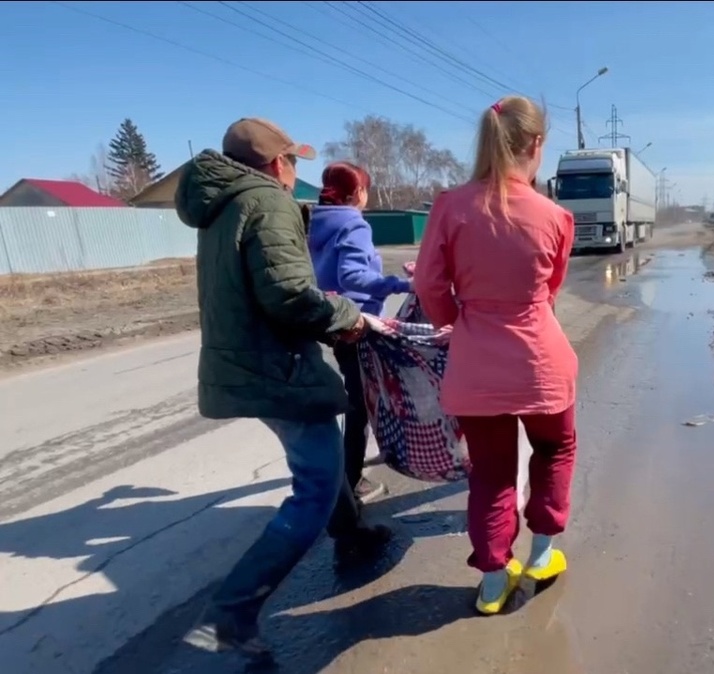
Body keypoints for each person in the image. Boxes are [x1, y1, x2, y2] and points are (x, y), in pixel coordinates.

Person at [174, 117, 394, 663]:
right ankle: (229, 616)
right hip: (277, 367)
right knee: (314, 488)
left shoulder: (221, 205)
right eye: (293, 161)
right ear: (277, 164)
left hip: (249, 360)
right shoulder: (268, 202)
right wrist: (354, 318)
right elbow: (292, 294)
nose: (297, 173)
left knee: (321, 458)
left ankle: (352, 530)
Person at [413, 96, 578, 615]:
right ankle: (543, 554)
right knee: (555, 449)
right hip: (541, 362)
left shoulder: (449, 205)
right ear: (535, 144)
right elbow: (549, 291)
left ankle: (491, 581)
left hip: (475, 364)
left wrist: (454, 322)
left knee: (490, 471)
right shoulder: (555, 216)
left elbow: (428, 283)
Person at [308, 161, 411, 505]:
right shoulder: (354, 223)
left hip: (331, 320)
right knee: (361, 402)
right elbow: (352, 275)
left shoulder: (317, 222)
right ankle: (350, 482)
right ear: (358, 192)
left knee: (361, 396)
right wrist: (399, 284)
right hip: (357, 322)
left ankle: (358, 466)